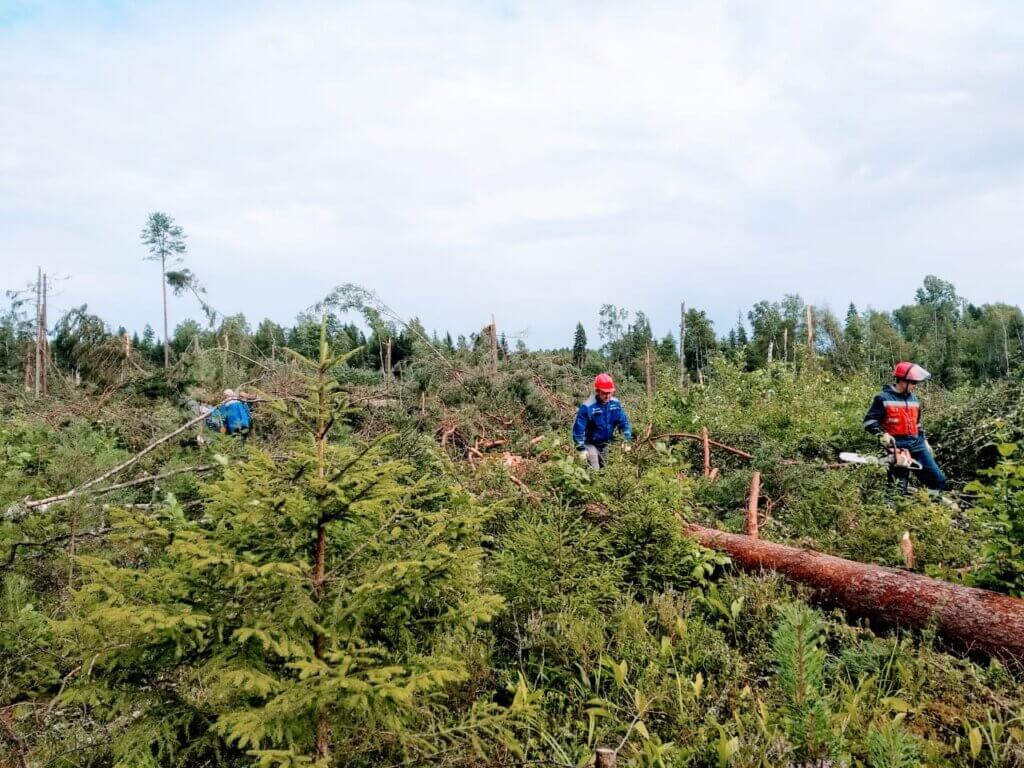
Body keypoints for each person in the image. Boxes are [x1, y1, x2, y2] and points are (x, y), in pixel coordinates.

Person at [863, 362, 946, 494]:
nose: (915, 386)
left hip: (917, 444)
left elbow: (917, 423)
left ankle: (931, 505)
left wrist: (924, 440)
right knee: (898, 487)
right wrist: (882, 434)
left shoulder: (914, 399)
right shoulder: (883, 398)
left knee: (937, 479)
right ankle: (893, 509)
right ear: (902, 381)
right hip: (897, 445)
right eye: (913, 383)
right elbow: (869, 422)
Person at [572, 373, 633, 469]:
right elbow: (578, 429)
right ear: (598, 391)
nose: (608, 396)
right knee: (594, 468)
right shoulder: (587, 407)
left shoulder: (615, 404)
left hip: (606, 443)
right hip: (590, 443)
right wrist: (581, 449)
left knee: (607, 469)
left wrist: (626, 440)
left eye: (610, 393)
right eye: (605, 393)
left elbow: (624, 423)